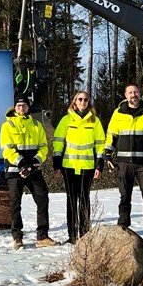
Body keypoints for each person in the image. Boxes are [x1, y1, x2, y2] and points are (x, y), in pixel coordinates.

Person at [104, 83, 143, 241]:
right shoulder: (118, 113)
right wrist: (108, 154)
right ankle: (123, 226)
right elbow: (111, 134)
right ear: (125, 95)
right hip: (124, 163)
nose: (133, 95)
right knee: (124, 196)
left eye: (136, 92)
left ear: (140, 94)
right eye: (130, 92)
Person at [0, 97, 58, 250]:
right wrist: (21, 163)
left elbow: (43, 146)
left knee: (42, 200)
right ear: (14, 108)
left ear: (28, 107)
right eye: (19, 106)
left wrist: (34, 162)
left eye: (24, 105)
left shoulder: (37, 124)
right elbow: (7, 149)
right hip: (14, 171)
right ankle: (17, 237)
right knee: (15, 205)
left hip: (34, 170)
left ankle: (42, 236)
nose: (21, 108)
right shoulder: (7, 125)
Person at [53, 90, 105, 244]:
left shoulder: (94, 121)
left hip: (87, 168)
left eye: (86, 100)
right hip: (68, 167)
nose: (83, 102)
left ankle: (84, 234)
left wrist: (99, 166)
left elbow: (100, 144)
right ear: (74, 102)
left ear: (89, 102)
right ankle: (72, 236)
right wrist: (57, 165)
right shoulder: (66, 120)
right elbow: (58, 143)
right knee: (71, 201)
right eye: (80, 99)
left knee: (84, 201)